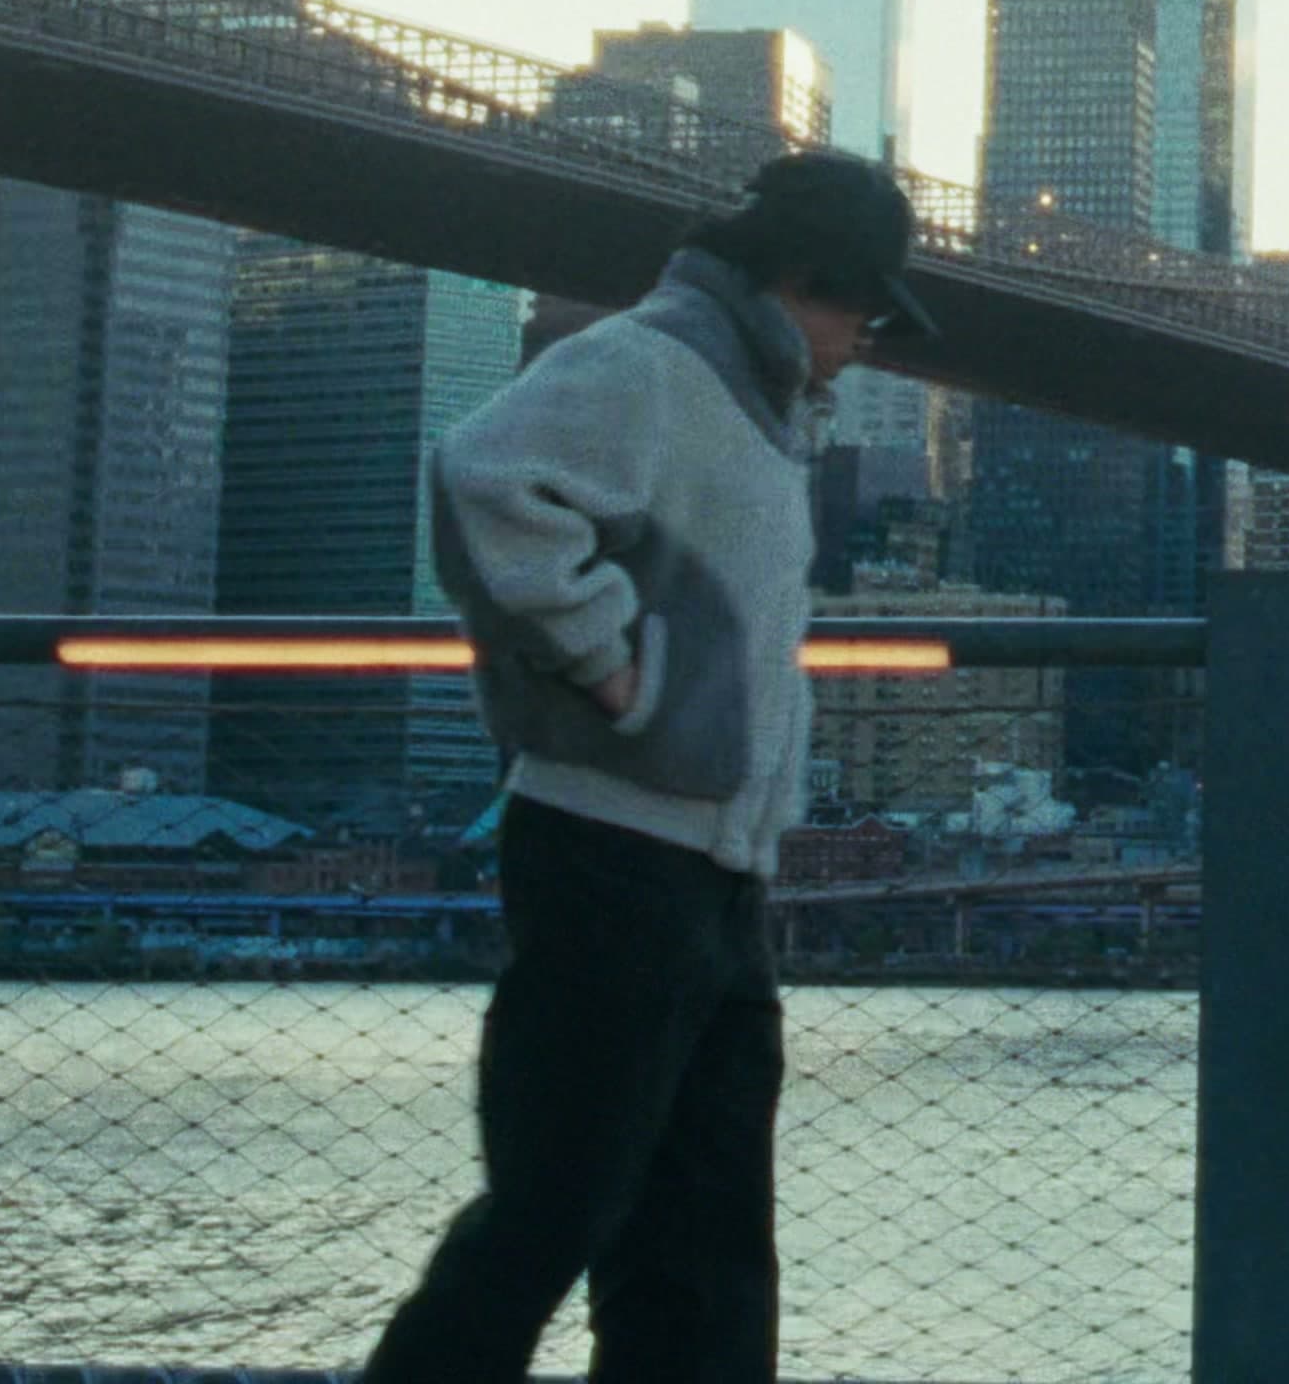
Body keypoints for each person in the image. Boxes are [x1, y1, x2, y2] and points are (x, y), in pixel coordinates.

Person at [365, 150, 937, 1384]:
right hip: (610, 848)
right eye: (865, 309)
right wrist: (612, 668)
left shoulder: (754, 400)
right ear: (795, 278)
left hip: (719, 877)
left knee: (707, 1245)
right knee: (553, 1212)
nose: (872, 340)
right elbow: (484, 473)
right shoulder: (654, 363)